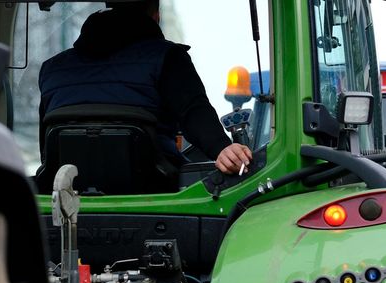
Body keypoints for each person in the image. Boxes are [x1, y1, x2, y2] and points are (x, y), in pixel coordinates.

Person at [39, 1, 252, 175]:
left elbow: (46, 150)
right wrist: (222, 148)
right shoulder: (167, 57)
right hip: (154, 187)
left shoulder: (51, 69)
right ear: (155, 16)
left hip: (67, 195)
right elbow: (193, 111)